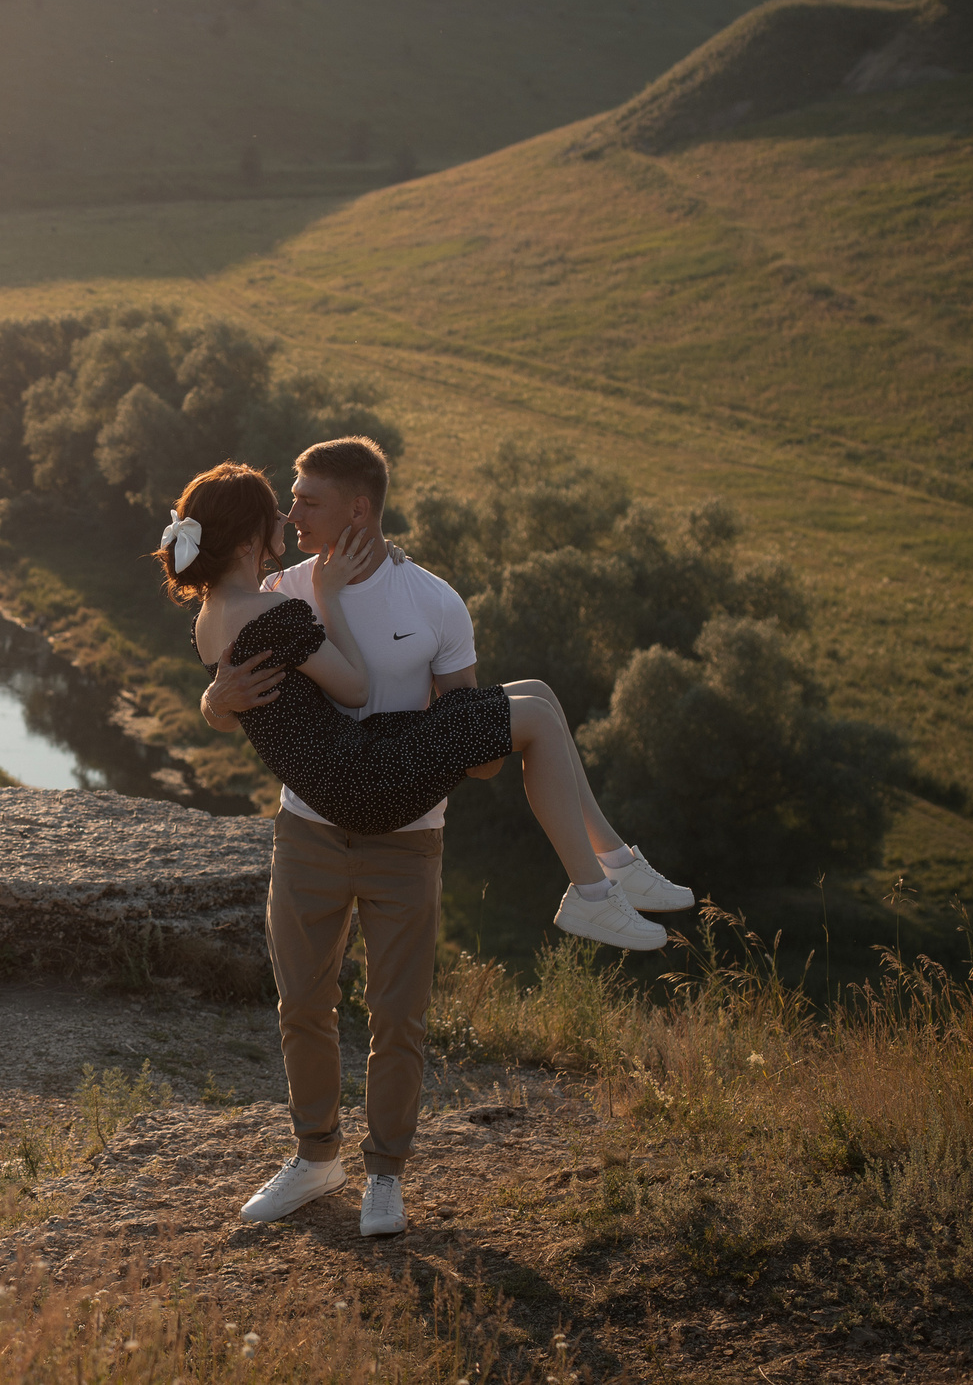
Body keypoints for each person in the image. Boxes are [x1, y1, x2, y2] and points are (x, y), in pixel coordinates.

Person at [162, 449, 691, 1237]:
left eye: (305, 503)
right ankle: (597, 886)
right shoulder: (283, 595)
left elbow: (250, 667)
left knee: (533, 703)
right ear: (248, 539)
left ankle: (612, 872)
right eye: (282, 507)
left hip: (386, 806)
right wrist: (253, 668)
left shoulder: (407, 595)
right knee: (304, 1001)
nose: (290, 519)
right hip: (349, 789)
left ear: (359, 513)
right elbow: (357, 690)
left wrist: (224, 685)